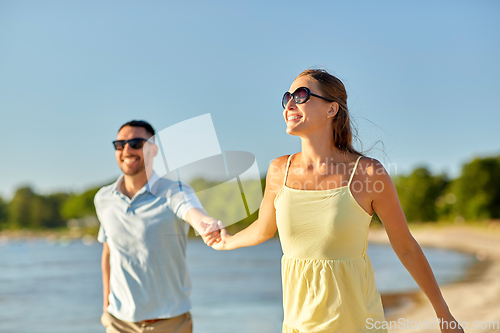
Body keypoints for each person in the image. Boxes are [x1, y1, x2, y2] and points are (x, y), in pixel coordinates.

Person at [211, 69, 464, 332]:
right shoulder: (278, 170)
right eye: (287, 97)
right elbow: (263, 230)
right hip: (297, 325)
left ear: (332, 109)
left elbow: (406, 247)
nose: (290, 103)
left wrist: (444, 314)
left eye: (301, 95)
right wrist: (226, 241)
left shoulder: (368, 173)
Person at [95, 120, 221, 333]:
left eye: (136, 143)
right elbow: (109, 252)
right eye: (120, 144)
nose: (127, 149)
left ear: (153, 150)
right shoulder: (104, 199)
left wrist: (207, 225)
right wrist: (106, 306)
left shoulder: (175, 191)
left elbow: (193, 212)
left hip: (169, 323)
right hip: (119, 324)